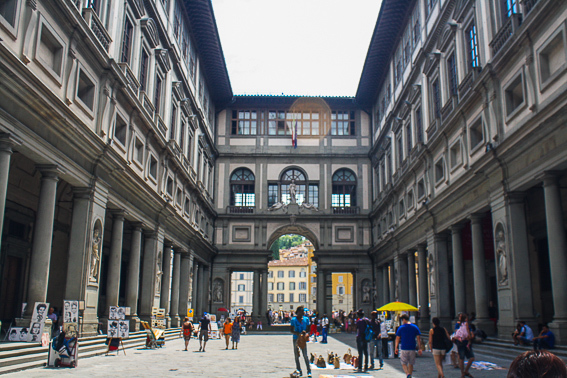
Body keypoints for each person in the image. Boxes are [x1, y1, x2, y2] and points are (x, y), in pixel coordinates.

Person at [394, 314, 422, 378]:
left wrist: (396, 347)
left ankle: (407, 373)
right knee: (411, 363)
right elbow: (418, 338)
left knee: (403, 363)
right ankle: (410, 375)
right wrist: (419, 348)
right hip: (412, 347)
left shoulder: (401, 328)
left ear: (404, 319)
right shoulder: (415, 327)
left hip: (404, 347)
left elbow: (397, 338)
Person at [290, 306, 311, 378]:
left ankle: (309, 370)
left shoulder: (306, 319)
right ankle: (299, 369)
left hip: (303, 339)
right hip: (296, 338)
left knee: (305, 355)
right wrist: (297, 333)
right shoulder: (293, 320)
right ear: (298, 312)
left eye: (303, 311)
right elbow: (291, 330)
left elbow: (309, 328)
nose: (303, 313)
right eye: (302, 311)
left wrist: (306, 332)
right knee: (296, 355)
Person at [453, 313, 474, 378]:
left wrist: (470, 337)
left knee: (471, 358)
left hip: (465, 342)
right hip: (461, 342)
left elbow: (471, 334)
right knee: (461, 358)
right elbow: (457, 334)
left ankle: (465, 371)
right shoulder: (458, 324)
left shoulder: (467, 325)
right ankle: (463, 373)